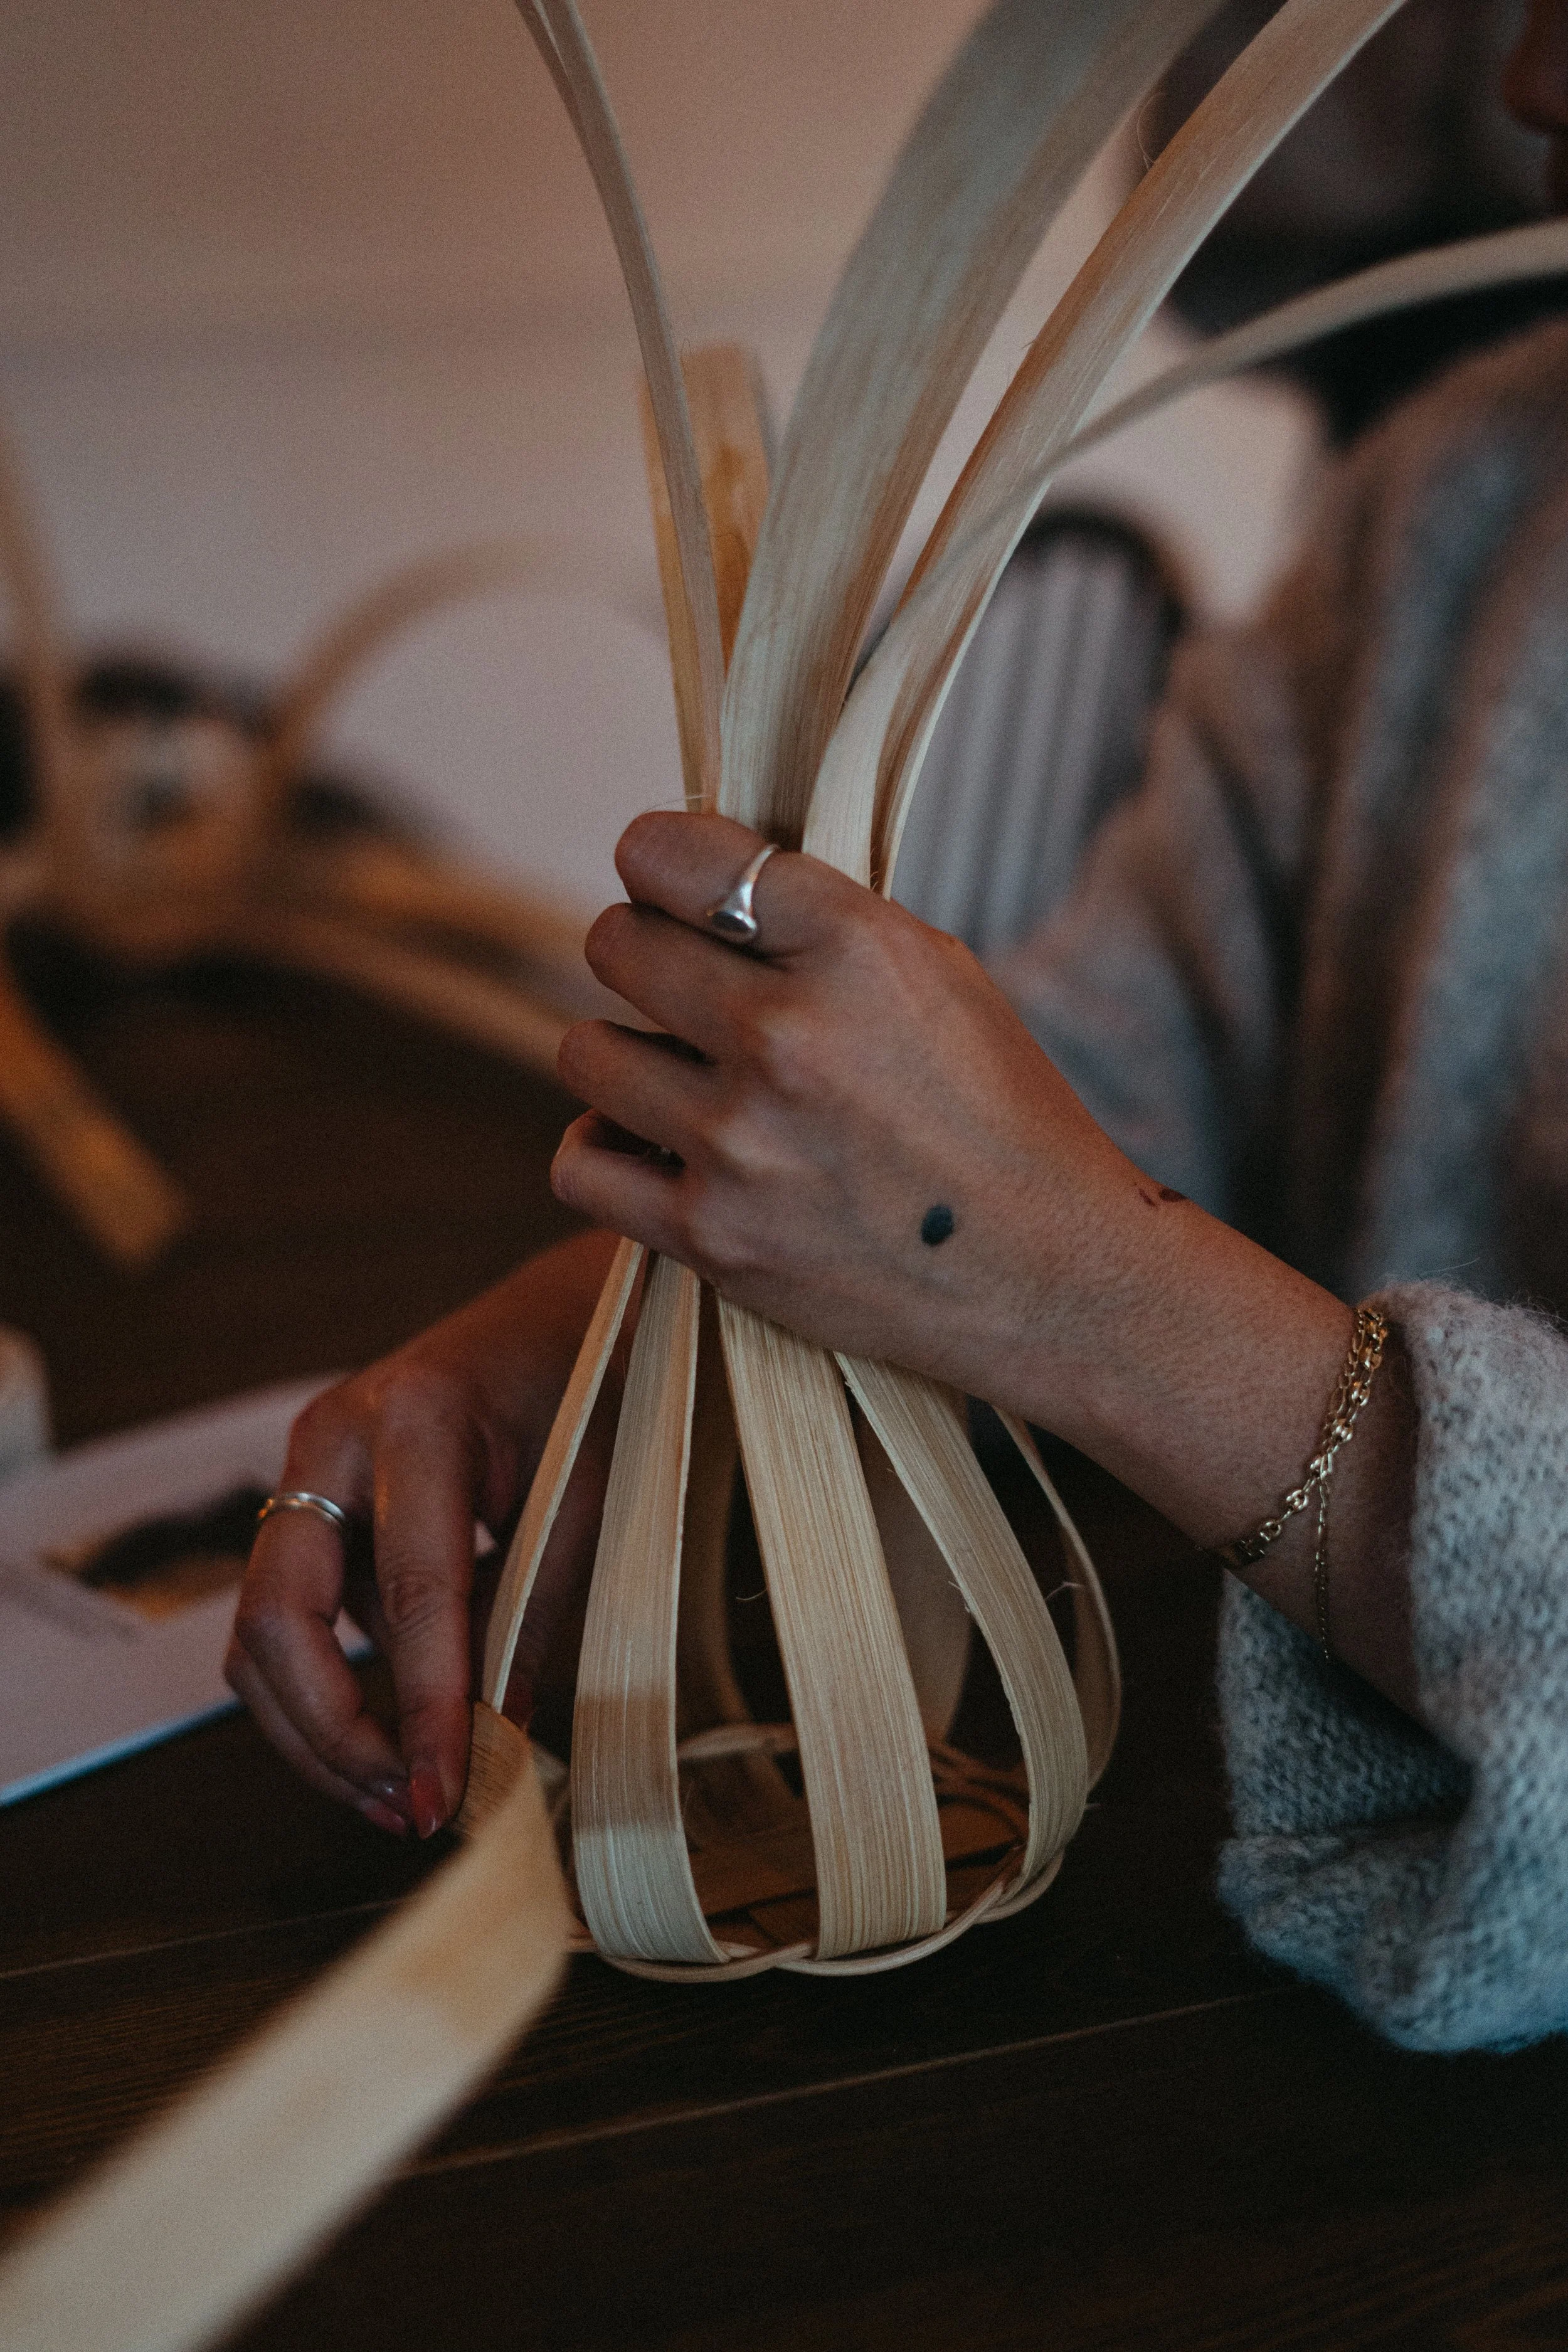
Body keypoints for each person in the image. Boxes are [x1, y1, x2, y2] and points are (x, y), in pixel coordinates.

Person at [229, 0, 1568, 2052]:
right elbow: (1114, 1070)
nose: (1527, 82)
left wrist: (1097, 1302)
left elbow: (1075, 1229)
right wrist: (598, 1317)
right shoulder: (1457, 501)